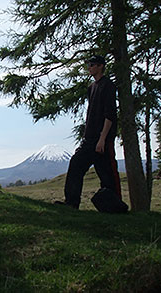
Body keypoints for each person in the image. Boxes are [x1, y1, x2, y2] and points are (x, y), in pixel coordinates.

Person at [56, 55, 121, 209]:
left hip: (102, 140)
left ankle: (114, 207)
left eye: (92, 65)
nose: (89, 67)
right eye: (88, 65)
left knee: (107, 175)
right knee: (76, 164)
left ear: (100, 66)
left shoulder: (108, 86)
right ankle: (71, 203)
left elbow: (110, 115)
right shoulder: (91, 87)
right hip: (89, 139)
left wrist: (102, 139)